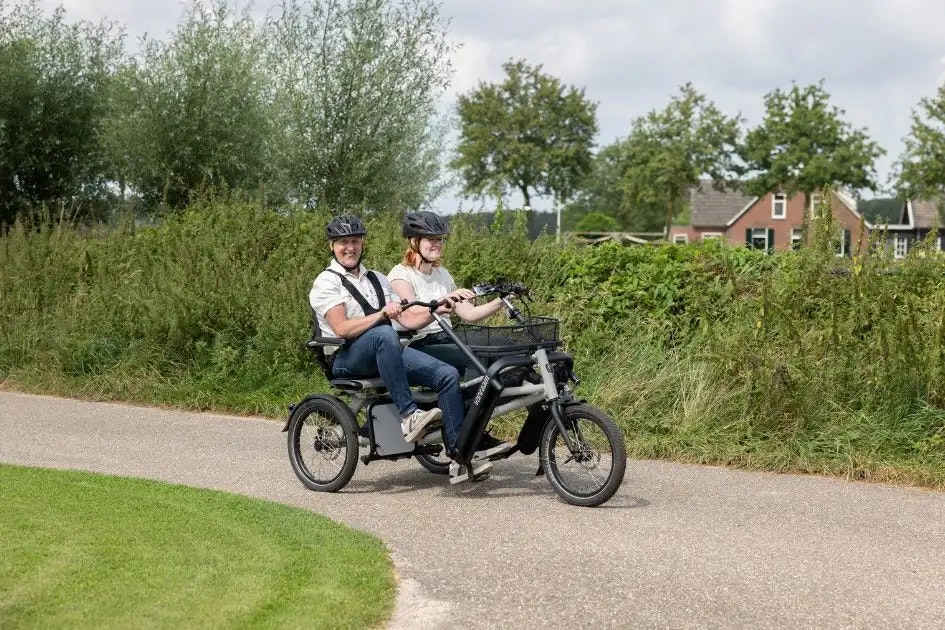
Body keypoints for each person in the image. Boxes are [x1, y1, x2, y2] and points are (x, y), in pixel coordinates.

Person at [309, 214, 491, 482]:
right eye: (343, 242)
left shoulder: (378, 279)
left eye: (355, 241)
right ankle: (408, 415)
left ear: (362, 244)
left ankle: (459, 454)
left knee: (447, 374)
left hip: (388, 350)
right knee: (383, 332)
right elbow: (342, 329)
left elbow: (408, 319)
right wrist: (382, 314)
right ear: (332, 246)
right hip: (347, 356)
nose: (350, 247)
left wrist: (439, 307)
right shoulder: (327, 282)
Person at [388, 210, 516, 460]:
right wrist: (439, 304)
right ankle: (461, 440)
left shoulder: (442, 274)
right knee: (473, 359)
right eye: (430, 239)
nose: (437, 243)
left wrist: (501, 302)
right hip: (417, 343)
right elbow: (411, 318)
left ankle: (473, 430)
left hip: (445, 338)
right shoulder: (400, 276)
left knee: (492, 355)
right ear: (414, 242)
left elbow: (468, 313)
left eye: (440, 239)